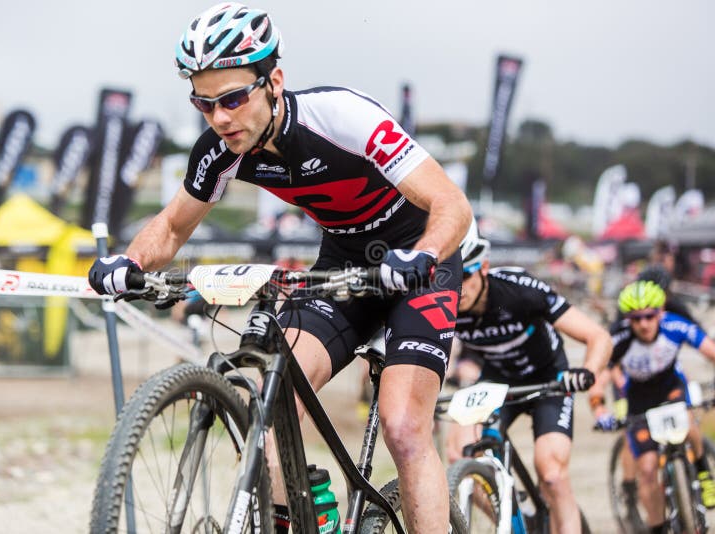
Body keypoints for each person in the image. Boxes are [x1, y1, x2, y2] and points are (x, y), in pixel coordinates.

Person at [87, 3, 473, 533]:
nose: (220, 117)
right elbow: (173, 227)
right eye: (204, 103)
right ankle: (311, 516)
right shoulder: (222, 149)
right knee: (270, 411)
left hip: (419, 261)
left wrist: (424, 255)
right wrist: (129, 262)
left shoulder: (342, 118)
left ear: (274, 82)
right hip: (342, 267)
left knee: (404, 429)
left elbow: (451, 204)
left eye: (232, 98)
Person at [451, 227, 612, 534]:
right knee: (459, 451)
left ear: (484, 268)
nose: (457, 289)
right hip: (499, 381)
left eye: (466, 276)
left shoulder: (521, 290)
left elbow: (598, 336)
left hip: (549, 379)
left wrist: (588, 372)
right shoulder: (444, 300)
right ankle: (515, 512)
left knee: (551, 473)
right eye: (450, 277)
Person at [589, 280, 715, 534]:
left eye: (649, 316)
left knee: (689, 424)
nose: (643, 324)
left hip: (671, 387)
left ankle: (703, 471)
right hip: (640, 399)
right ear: (628, 320)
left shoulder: (675, 325)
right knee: (646, 469)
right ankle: (657, 527)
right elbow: (598, 377)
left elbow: (710, 351)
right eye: (636, 319)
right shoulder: (619, 338)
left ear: (660, 313)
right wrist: (599, 408)